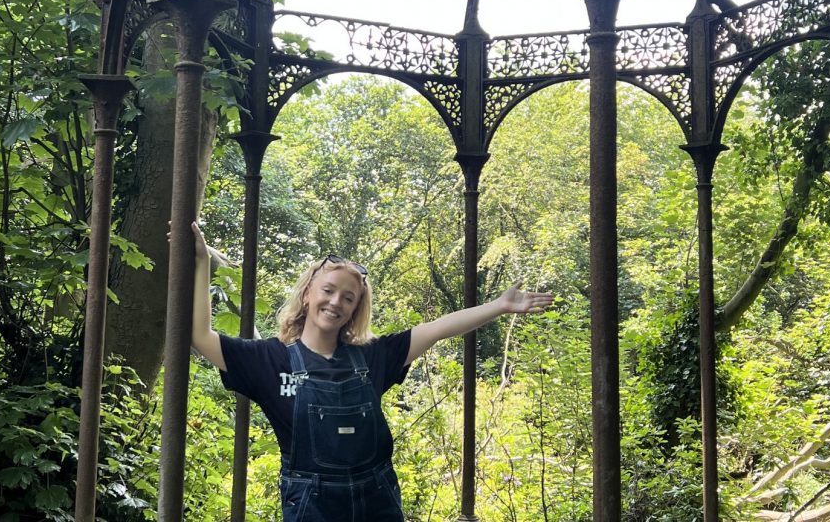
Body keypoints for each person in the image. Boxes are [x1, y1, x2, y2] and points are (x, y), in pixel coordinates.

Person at [184, 222, 554, 522]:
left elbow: (439, 328)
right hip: (313, 505)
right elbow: (201, 336)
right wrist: (202, 261)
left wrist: (500, 305)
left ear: (355, 308)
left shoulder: (374, 356)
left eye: (348, 298)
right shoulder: (268, 359)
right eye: (329, 291)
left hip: (377, 499)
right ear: (308, 294)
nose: (336, 302)